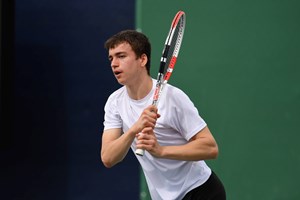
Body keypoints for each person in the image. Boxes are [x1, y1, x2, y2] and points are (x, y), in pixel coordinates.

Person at [101, 30, 226, 200]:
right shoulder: (114, 102)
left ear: (142, 60)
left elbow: (210, 147)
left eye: (121, 56)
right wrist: (133, 130)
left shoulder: (173, 97)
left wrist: (162, 150)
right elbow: (108, 157)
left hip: (200, 191)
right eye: (111, 58)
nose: (114, 63)